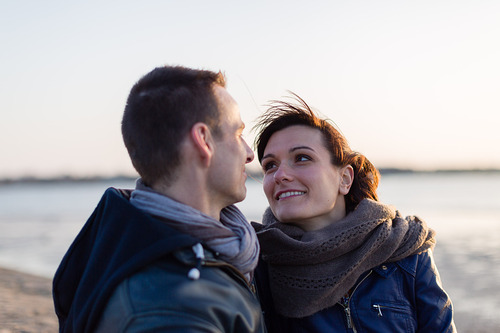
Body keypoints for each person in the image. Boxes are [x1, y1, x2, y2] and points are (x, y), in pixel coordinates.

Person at [52, 66, 266, 333]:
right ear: (203, 141)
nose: (249, 153)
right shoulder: (170, 308)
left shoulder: (129, 242)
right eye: (237, 134)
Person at [251, 94, 456, 332]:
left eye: (302, 158)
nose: (280, 175)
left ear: (344, 179)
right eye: (270, 165)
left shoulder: (405, 252)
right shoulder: (256, 265)